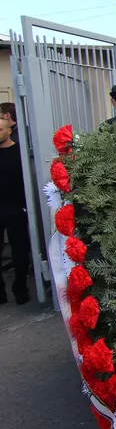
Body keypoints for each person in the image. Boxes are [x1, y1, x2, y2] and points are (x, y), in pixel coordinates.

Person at [0, 118, 29, 305]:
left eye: (0, 129)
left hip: (16, 208)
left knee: (20, 252)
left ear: (9, 130)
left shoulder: (20, 152)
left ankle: (20, 289)